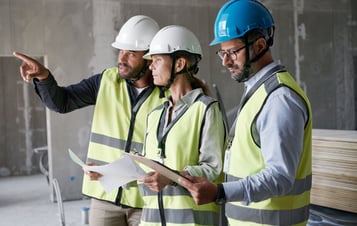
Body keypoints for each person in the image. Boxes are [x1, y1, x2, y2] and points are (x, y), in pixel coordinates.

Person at [13, 15, 164, 226]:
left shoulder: (167, 94)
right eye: (121, 51)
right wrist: (44, 77)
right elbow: (62, 102)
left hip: (146, 199)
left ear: (150, 58)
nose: (122, 58)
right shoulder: (106, 81)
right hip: (104, 196)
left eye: (131, 53)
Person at [179, 1, 313, 226]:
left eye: (232, 52)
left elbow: (280, 177)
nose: (225, 61)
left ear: (260, 45)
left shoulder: (279, 98)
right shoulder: (259, 91)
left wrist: (220, 192)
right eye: (222, 52)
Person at [137, 25, 227, 226]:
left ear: (179, 63)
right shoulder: (155, 115)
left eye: (157, 60)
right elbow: (146, 168)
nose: (151, 67)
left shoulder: (206, 109)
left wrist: (170, 178)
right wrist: (110, 173)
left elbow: (213, 169)